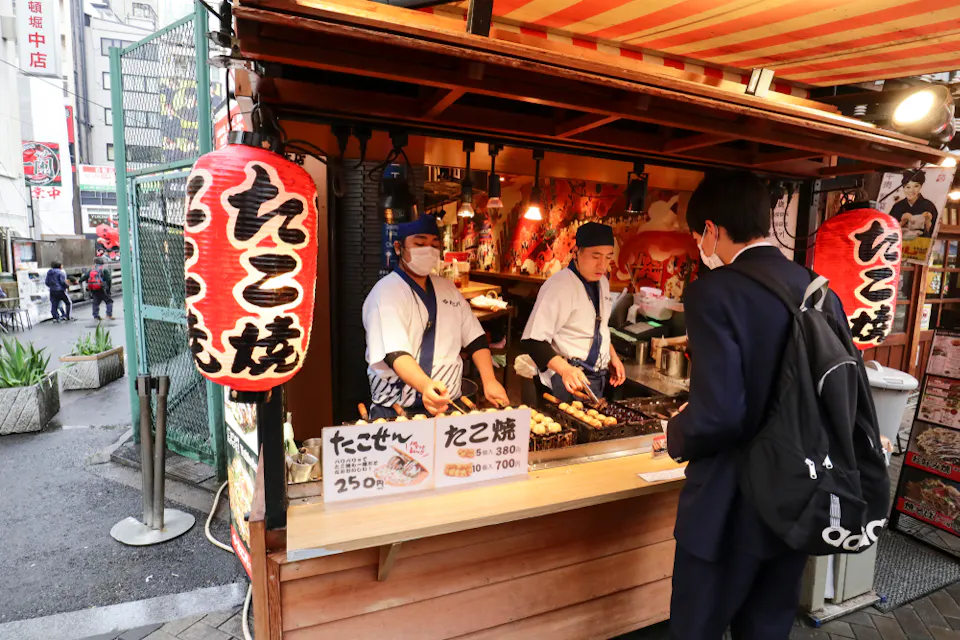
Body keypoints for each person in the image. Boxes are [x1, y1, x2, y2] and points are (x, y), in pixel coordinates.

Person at [666, 170, 851, 639]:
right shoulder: (819, 289)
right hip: (795, 499)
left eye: (696, 237)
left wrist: (675, 432)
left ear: (711, 230)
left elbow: (720, 414)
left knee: (697, 629)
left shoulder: (714, 291)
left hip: (729, 505)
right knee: (767, 630)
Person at [362, 216, 509, 419]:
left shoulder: (447, 288)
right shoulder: (385, 293)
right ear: (399, 247)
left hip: (447, 407)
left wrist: (489, 379)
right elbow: (394, 353)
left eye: (435, 245)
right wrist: (426, 386)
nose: (428, 250)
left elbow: (475, 337)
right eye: (420, 243)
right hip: (398, 411)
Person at [520, 222, 626, 403]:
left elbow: (599, 327)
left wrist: (612, 357)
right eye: (595, 256)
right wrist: (565, 370)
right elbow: (533, 341)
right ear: (576, 252)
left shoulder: (603, 283)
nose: (602, 265)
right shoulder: (559, 286)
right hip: (565, 379)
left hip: (595, 379)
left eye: (608, 257)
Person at [889, 171, 937, 238]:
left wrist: (927, 221)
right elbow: (889, 231)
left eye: (916, 186)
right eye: (908, 187)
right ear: (903, 188)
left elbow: (933, 233)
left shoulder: (929, 206)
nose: (911, 190)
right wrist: (902, 222)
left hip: (920, 246)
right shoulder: (897, 206)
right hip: (899, 245)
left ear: (921, 186)